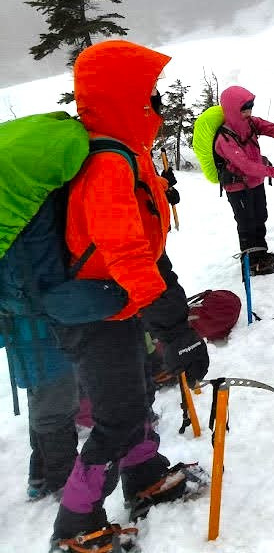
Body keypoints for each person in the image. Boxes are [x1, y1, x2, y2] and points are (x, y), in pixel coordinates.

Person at [51, 40, 210, 551]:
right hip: (95, 313)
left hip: (117, 304)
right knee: (117, 412)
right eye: (149, 94)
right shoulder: (107, 164)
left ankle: (143, 475)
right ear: (124, 98)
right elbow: (127, 252)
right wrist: (176, 330)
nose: (156, 104)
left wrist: (172, 321)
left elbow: (148, 246)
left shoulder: (126, 152)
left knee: (137, 391)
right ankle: (76, 523)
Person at [214, 86, 274, 275]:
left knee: (260, 217)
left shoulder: (252, 123)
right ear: (232, 109)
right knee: (246, 222)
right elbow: (246, 166)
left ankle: (261, 253)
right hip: (237, 186)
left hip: (256, 182)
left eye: (250, 107)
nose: (248, 112)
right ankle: (250, 260)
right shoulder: (224, 138)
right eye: (244, 109)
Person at [1, 317, 79, 502]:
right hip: (52, 359)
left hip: (28, 362)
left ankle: (41, 476)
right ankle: (65, 482)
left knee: (43, 416)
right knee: (55, 418)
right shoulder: (32, 288)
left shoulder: (10, 292)